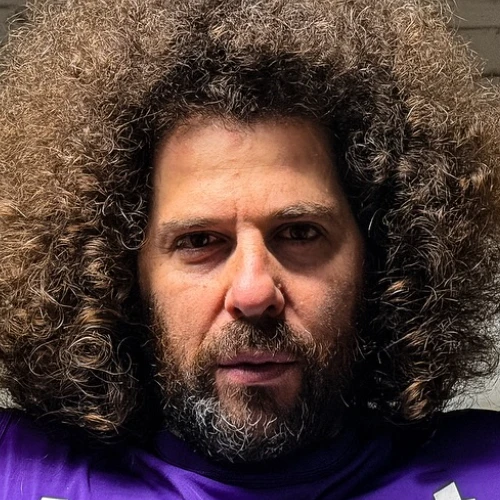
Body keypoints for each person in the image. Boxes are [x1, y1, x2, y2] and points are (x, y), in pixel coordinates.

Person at [1, 0, 500, 498]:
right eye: (199, 241)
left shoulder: (485, 468)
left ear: (382, 257)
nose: (254, 293)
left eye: (300, 233)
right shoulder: (19, 468)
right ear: (121, 273)